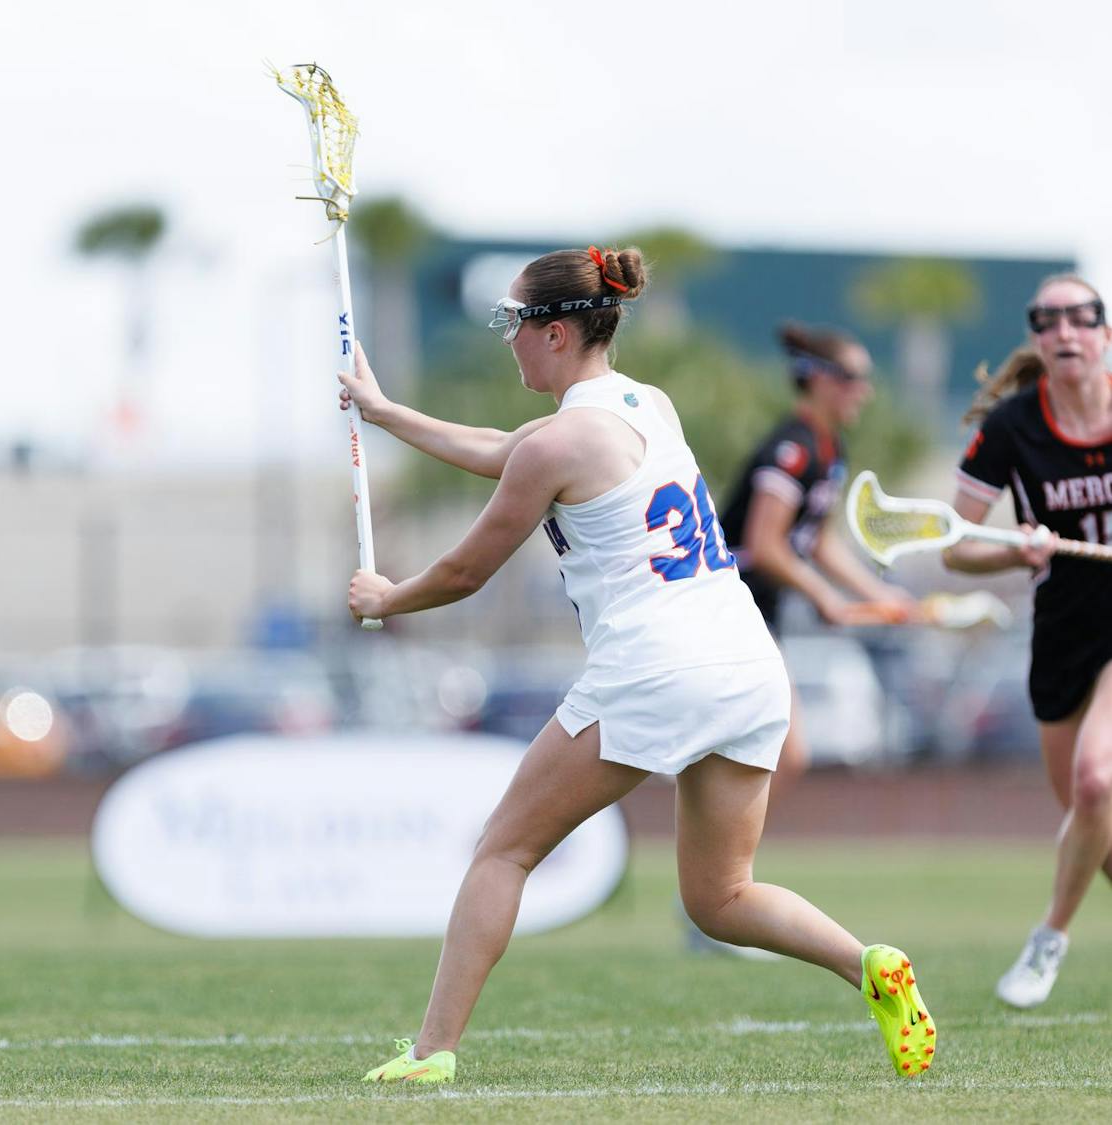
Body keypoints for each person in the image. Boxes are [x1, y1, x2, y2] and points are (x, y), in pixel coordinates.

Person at [338, 245, 934, 1084]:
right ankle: (868, 962)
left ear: (554, 333)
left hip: (659, 667)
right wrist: (384, 411)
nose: (506, 339)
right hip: (747, 661)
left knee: (502, 851)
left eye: (513, 322)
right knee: (719, 897)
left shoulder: (559, 445)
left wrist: (385, 598)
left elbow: (467, 571)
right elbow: (503, 446)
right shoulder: (644, 403)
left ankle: (433, 1052)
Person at [946, 273, 1112, 1009]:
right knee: (1094, 827)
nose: (1066, 331)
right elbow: (957, 544)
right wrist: (1017, 548)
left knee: (1096, 781)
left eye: (1082, 318)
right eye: (1049, 321)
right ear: (1038, 341)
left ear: (1104, 333)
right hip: (1063, 633)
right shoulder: (1014, 425)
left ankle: (1048, 937)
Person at [720, 324, 918, 800]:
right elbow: (764, 545)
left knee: (772, 757)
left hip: (758, 613)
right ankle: (716, 872)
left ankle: (714, 871)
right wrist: (824, 597)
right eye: (854, 378)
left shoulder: (830, 451)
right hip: (729, 610)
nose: (865, 392)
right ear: (820, 379)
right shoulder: (793, 449)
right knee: (785, 755)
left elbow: (820, 541)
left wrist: (880, 596)